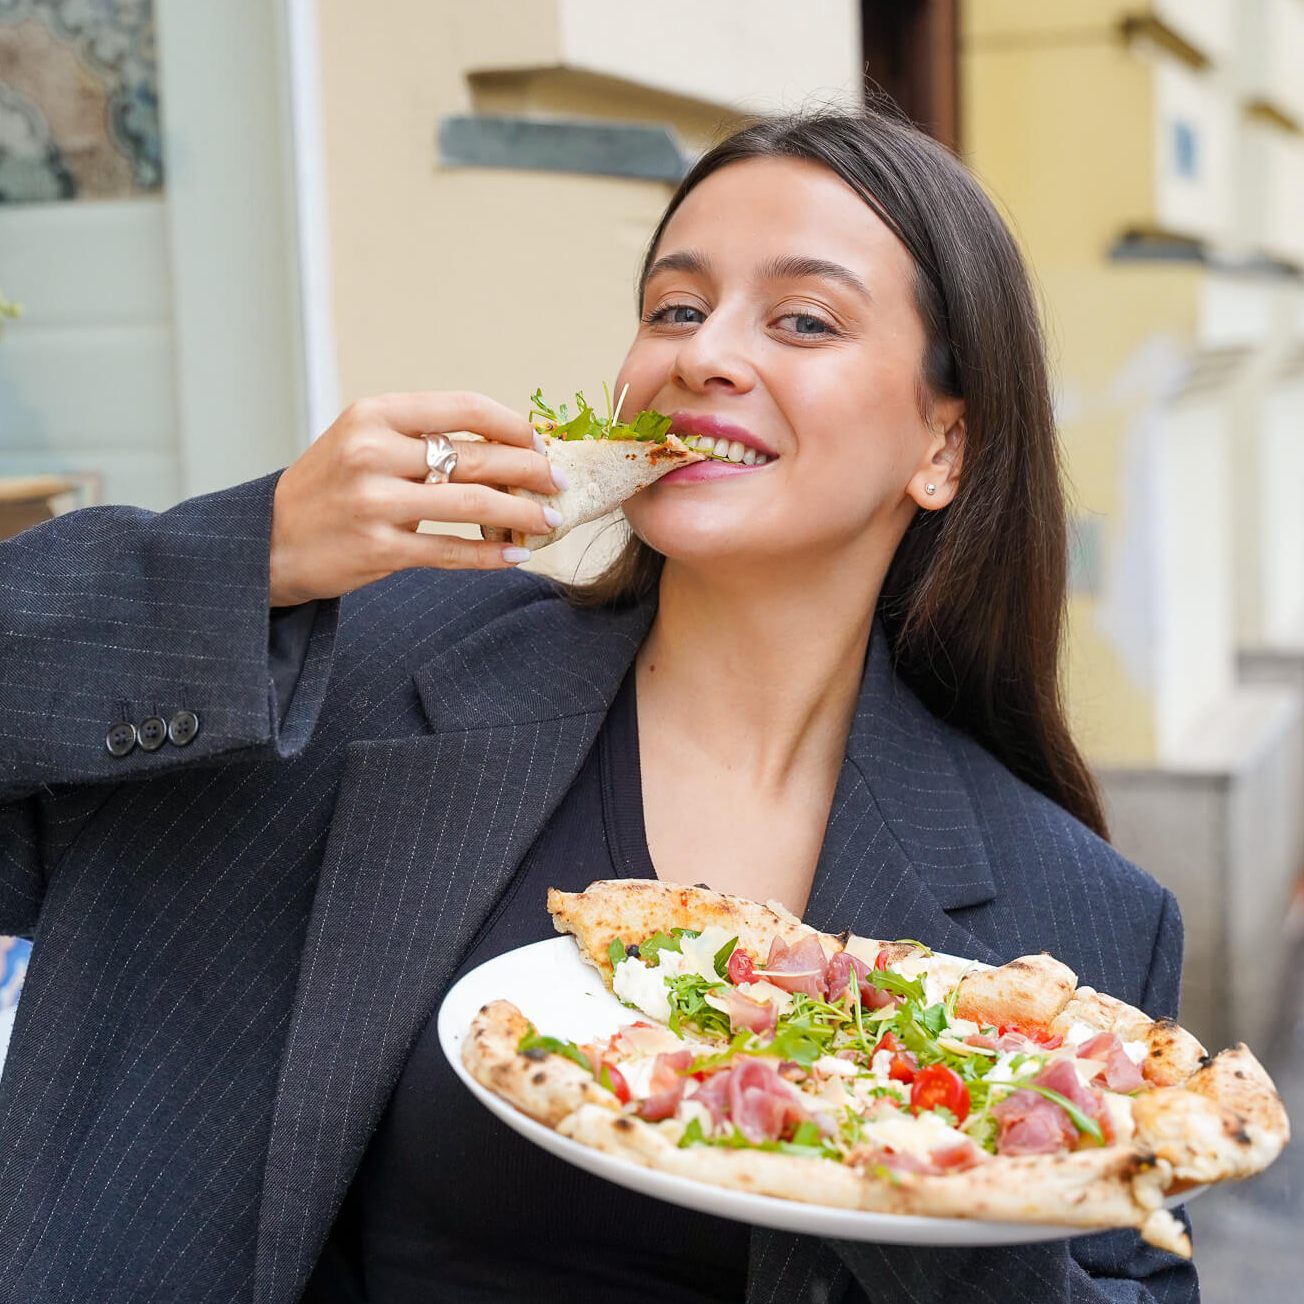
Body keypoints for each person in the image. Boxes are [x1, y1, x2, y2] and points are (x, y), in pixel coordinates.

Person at [0, 107, 1198, 1303]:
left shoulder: (1069, 925)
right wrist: (245, 557)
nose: (702, 354)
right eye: (675, 307)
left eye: (801, 320)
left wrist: (934, 1174)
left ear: (942, 445)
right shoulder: (364, 671)